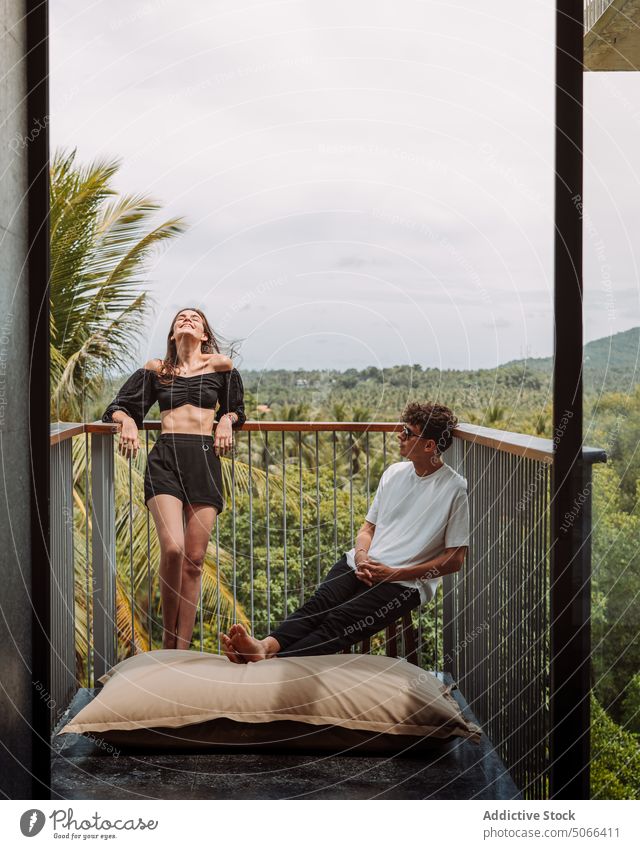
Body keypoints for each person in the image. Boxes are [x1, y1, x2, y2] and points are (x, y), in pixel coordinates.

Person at [221, 402, 468, 662]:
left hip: (403, 582)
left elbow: (455, 559)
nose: (399, 435)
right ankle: (265, 647)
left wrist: (395, 573)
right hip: (362, 564)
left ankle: (273, 663)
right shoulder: (394, 473)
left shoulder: (453, 489)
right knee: (318, 606)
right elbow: (367, 529)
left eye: (407, 432)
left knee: (341, 620)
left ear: (429, 445)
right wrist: (361, 556)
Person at [102, 307, 245, 650]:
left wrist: (226, 420)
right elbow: (117, 407)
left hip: (204, 462)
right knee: (174, 549)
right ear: (172, 334)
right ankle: (168, 640)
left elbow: (237, 409)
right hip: (165, 459)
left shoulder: (222, 368)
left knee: (194, 560)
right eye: (181, 318)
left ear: (205, 335)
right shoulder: (156, 370)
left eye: (195, 319)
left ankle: (181, 647)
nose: (187, 320)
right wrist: (130, 422)